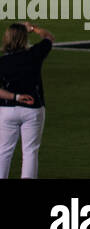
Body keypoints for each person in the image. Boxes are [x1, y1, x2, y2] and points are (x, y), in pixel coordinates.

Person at [0, 22, 53, 179]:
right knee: (30, 152)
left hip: (7, 110)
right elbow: (49, 37)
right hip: (33, 108)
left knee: (4, 151)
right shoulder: (34, 54)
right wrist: (34, 29)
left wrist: (15, 97)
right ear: (24, 38)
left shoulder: (2, 62)